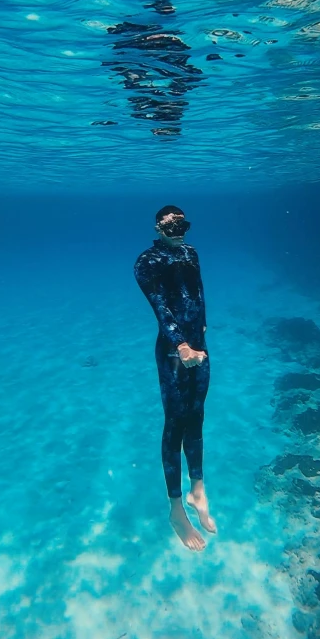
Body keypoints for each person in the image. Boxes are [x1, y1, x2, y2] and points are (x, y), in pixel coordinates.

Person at [134, 205, 216, 551]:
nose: (179, 227)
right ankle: (175, 508)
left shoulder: (191, 252)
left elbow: (197, 292)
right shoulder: (147, 261)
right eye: (172, 222)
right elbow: (159, 305)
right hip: (174, 352)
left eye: (183, 222)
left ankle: (198, 489)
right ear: (158, 225)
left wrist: (201, 328)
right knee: (176, 423)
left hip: (200, 345)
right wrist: (181, 344)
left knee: (197, 416)